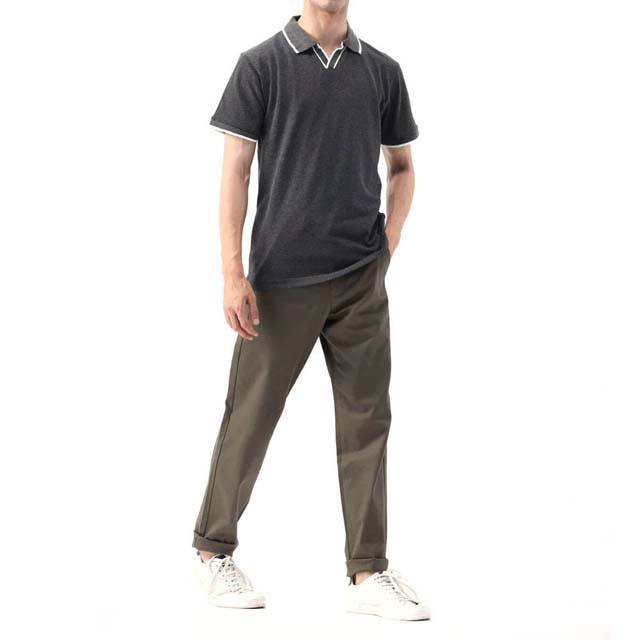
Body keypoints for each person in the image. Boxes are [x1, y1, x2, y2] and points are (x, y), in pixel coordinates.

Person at [193, 0, 429, 621]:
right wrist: (233, 272)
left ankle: (367, 571)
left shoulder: (382, 71)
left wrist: (388, 244)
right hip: (280, 281)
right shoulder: (260, 65)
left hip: (360, 279)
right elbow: (236, 172)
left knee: (367, 421)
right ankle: (213, 552)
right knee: (250, 414)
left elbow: (402, 165)